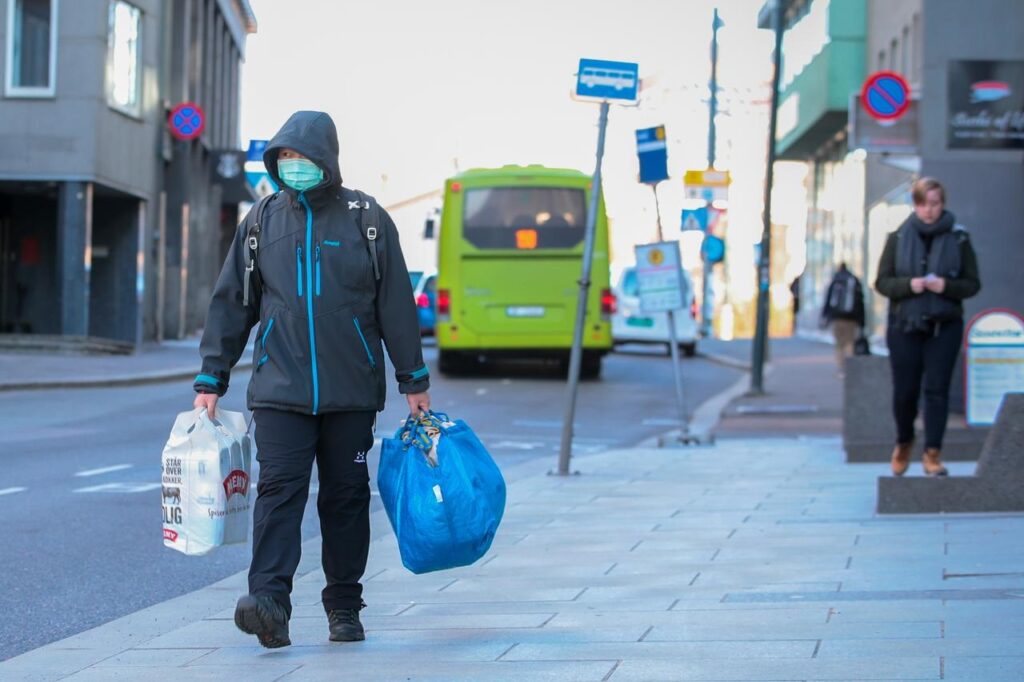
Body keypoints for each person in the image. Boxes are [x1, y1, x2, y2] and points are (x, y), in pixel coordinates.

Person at [192, 111, 431, 648]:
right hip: (280, 390)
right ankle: (269, 602)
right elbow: (233, 303)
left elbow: (395, 304)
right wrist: (212, 377)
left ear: (327, 159)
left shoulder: (365, 218)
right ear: (276, 163)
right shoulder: (261, 223)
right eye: (286, 159)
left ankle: (344, 606)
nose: (294, 167)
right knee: (278, 492)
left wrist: (412, 378)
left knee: (345, 497)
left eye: (303, 158)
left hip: (350, 391)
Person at [875, 177, 980, 477]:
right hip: (905, 325)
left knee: (936, 390)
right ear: (915, 205)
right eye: (922, 204)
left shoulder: (960, 238)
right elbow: (882, 282)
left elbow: (973, 284)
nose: (929, 210)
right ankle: (904, 442)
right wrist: (910, 285)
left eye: (934, 204)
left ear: (942, 204)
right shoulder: (898, 237)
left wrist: (945, 285)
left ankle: (933, 453)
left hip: (944, 325)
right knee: (905, 392)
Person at [820, 262, 865, 375]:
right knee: (850, 343)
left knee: (839, 344)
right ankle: (849, 369)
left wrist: (825, 316)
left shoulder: (836, 281)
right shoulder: (854, 280)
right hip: (852, 319)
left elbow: (828, 300)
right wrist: (862, 321)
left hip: (837, 318)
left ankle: (841, 368)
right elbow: (860, 302)